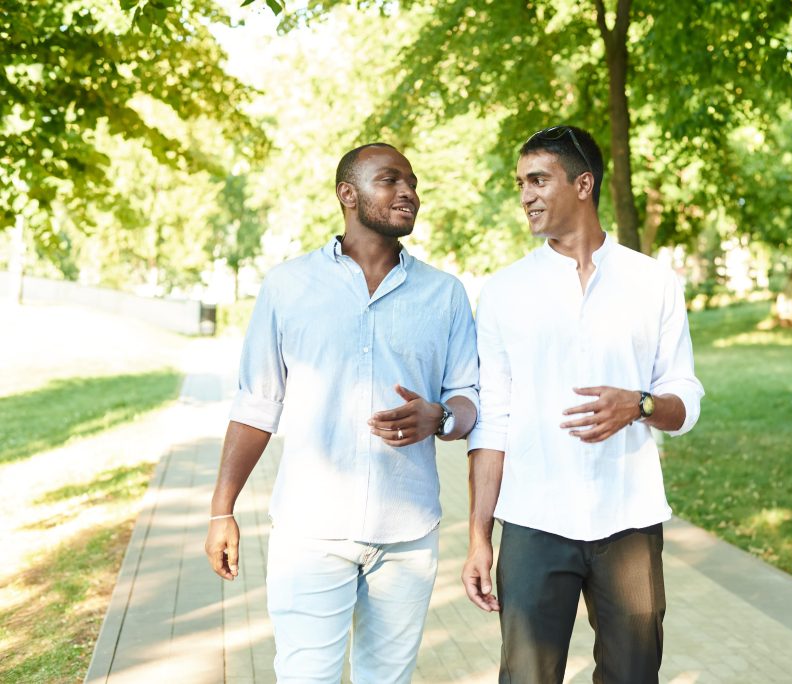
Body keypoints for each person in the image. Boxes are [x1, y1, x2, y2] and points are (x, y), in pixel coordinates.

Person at [204, 143, 479, 684]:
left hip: (407, 531)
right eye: (391, 180)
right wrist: (222, 510)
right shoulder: (288, 285)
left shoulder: (445, 294)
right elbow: (257, 403)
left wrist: (440, 417)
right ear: (347, 194)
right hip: (311, 529)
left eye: (414, 183)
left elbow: (470, 401)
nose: (409, 193)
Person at [461, 126, 704, 683]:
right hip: (533, 521)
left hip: (629, 520)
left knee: (634, 676)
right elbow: (492, 422)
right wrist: (479, 538)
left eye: (538, 180)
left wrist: (639, 404)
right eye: (520, 183)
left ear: (584, 183)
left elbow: (685, 400)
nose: (525, 195)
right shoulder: (503, 292)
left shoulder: (653, 282)